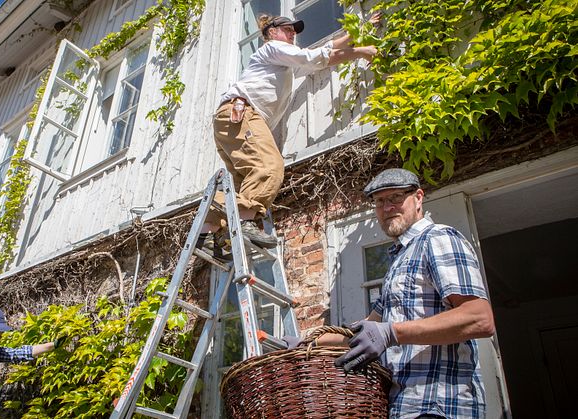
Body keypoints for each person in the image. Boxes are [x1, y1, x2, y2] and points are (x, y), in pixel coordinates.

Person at [200, 13, 380, 252]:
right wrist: (357, 37)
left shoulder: (281, 65)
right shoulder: (272, 48)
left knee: (240, 183)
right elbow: (312, 56)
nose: (293, 33)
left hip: (230, 120)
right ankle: (243, 221)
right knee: (269, 166)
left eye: (295, 30)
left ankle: (207, 234)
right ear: (272, 33)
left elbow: (323, 59)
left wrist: (361, 49)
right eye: (288, 29)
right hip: (241, 114)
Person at [329, 168, 496, 418]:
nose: (387, 208)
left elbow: (479, 319)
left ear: (418, 198)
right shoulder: (399, 261)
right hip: (403, 408)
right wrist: (306, 342)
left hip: (440, 407)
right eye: (379, 201)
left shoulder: (438, 238)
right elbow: (367, 331)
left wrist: (391, 332)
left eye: (396, 197)